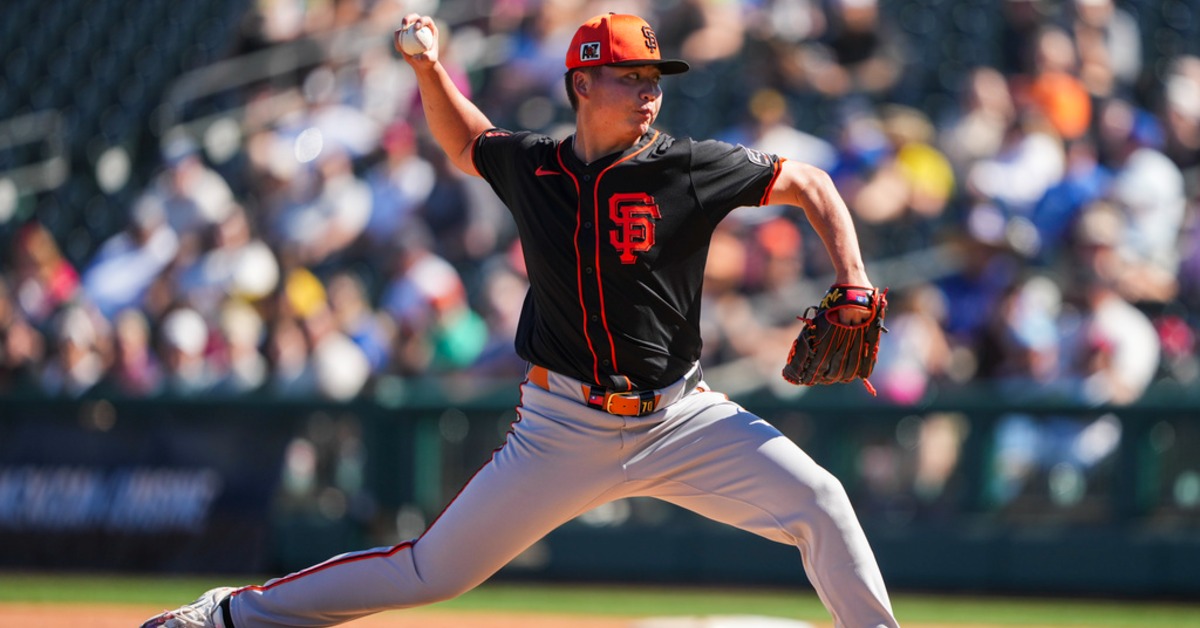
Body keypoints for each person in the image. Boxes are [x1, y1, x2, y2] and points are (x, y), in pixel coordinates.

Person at [142, 12, 899, 628]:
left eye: (654, 78)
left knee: (822, 502)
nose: (649, 92)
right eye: (630, 76)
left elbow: (808, 181)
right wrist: (429, 70)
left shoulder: (688, 166)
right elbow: (467, 141)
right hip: (562, 426)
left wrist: (854, 277)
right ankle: (231, 616)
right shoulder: (536, 165)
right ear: (581, 83)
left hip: (681, 417)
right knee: (429, 572)